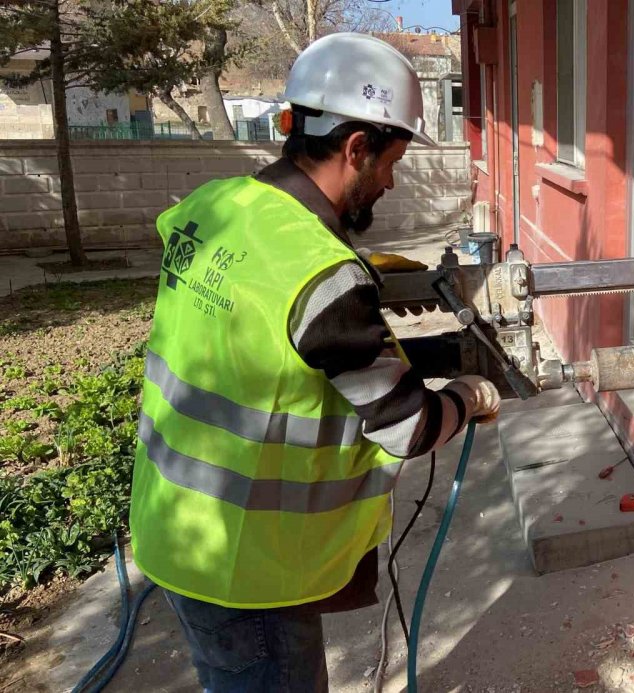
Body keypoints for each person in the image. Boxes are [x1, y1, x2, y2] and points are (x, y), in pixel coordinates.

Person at [128, 32, 500, 692]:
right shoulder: (324, 278)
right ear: (356, 146)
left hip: (173, 529)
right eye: (390, 162)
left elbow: (256, 324)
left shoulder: (218, 206)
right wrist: (469, 395)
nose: (388, 181)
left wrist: (357, 291)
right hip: (248, 572)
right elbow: (408, 429)